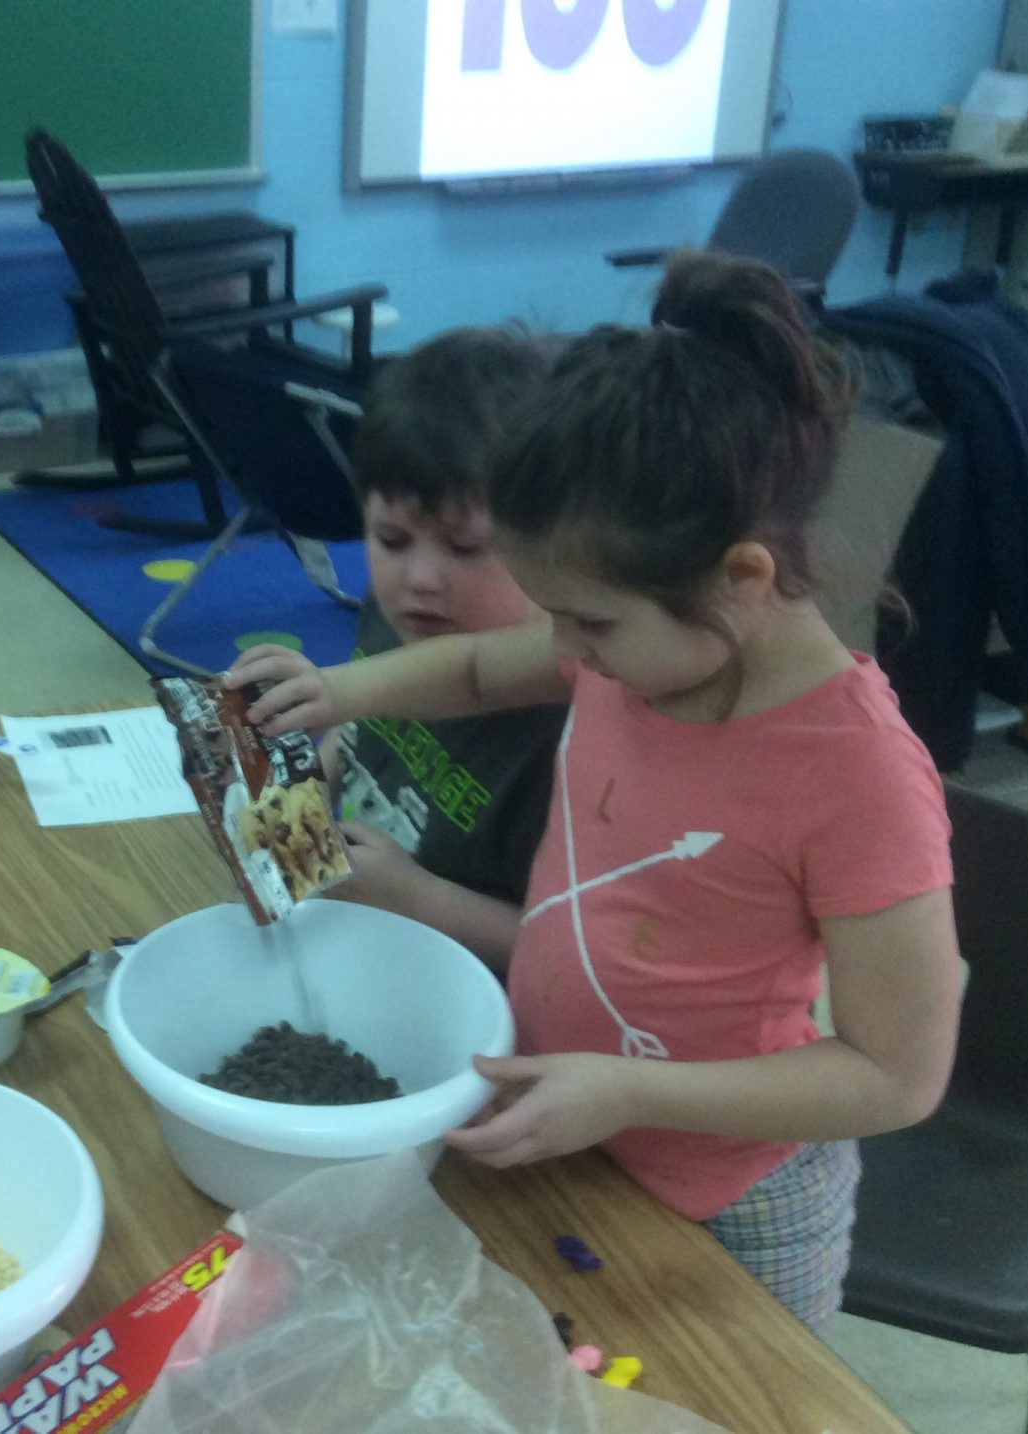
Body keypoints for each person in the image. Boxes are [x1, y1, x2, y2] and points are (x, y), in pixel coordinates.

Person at [230, 251, 962, 1330]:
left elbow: (897, 1077)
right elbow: (480, 668)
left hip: (729, 1196)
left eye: (589, 623)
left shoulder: (859, 780)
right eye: (551, 612)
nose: (562, 649)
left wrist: (633, 1090)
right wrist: (334, 691)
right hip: (560, 1116)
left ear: (741, 578)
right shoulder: (643, 642)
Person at [321, 329, 565, 965]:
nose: (419, 578)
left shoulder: (571, 726)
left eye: (465, 548)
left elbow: (575, 953)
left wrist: (418, 899)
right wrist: (316, 776)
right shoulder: (406, 614)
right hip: (358, 932)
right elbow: (351, 734)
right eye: (392, 540)